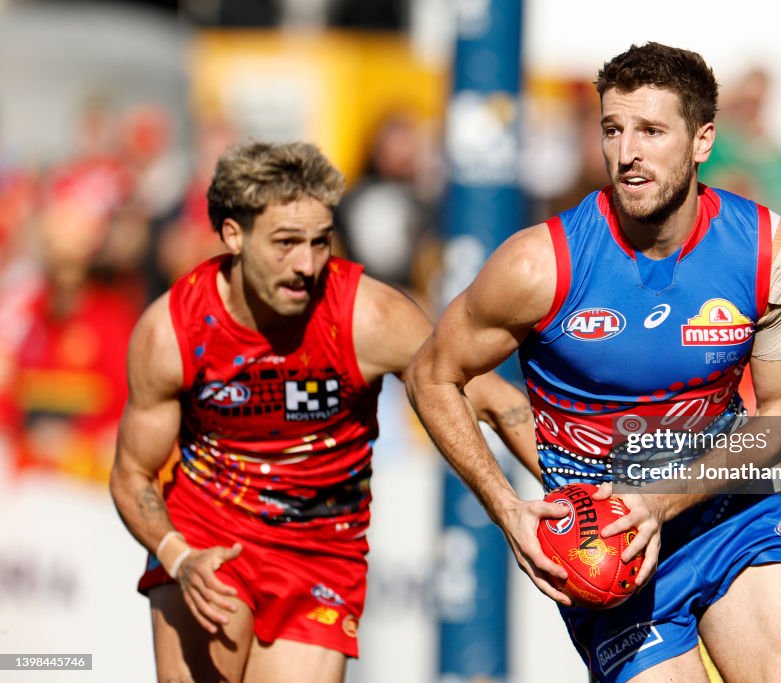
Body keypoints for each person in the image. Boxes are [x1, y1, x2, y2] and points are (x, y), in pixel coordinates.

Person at [408, 43, 781, 682]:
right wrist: (505, 505)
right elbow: (431, 374)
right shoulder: (539, 266)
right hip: (604, 540)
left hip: (725, 505)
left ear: (702, 140)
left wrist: (660, 501)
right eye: (613, 129)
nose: (627, 153)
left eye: (652, 131)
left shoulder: (767, 252)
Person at [109, 141, 538, 683]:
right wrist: (176, 555)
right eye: (285, 243)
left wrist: (579, 491)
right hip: (206, 539)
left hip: (321, 551)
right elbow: (131, 474)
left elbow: (498, 402)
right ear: (233, 235)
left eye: (320, 242)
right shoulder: (172, 331)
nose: (306, 265)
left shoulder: (370, 317)